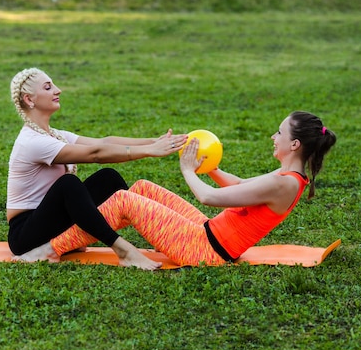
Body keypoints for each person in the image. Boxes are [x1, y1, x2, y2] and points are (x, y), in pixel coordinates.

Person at [49, 111, 337, 268]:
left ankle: (50, 249)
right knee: (143, 188)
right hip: (209, 232)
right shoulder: (287, 175)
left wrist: (188, 170)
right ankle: (75, 240)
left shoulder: (282, 183)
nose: (274, 137)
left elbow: (209, 197)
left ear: (295, 144)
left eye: (279, 133)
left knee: (124, 200)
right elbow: (238, 184)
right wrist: (211, 167)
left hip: (204, 250)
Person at [6, 67, 188, 270]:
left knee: (109, 179)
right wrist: (149, 150)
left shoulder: (53, 134)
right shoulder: (32, 141)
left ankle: (158, 240)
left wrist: (156, 141)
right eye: (48, 87)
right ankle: (124, 251)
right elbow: (96, 154)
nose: (58, 90)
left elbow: (103, 141)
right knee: (68, 184)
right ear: (29, 99)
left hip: (50, 222)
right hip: (26, 236)